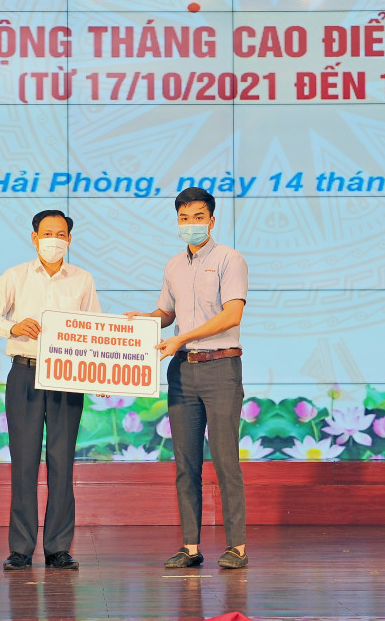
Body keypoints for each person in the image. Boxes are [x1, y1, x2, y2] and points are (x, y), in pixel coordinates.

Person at [126, 187, 249, 569]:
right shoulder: (173, 265)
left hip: (220, 368)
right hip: (182, 370)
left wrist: (182, 336)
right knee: (185, 463)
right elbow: (167, 313)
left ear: (211, 220)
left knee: (225, 460)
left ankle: (237, 547)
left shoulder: (230, 259)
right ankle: (190, 547)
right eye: (184, 218)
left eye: (198, 217)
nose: (190, 224)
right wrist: (142, 321)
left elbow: (232, 315)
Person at [0, 210, 100, 571]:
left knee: (62, 462)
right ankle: (21, 549)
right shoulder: (15, 276)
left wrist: (102, 375)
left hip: (67, 377)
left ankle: (59, 548)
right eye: (47, 233)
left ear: (69, 240)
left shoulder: (82, 279)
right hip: (25, 374)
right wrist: (13, 328)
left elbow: (95, 330)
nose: (54, 240)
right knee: (24, 463)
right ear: (34, 238)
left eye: (61, 234)